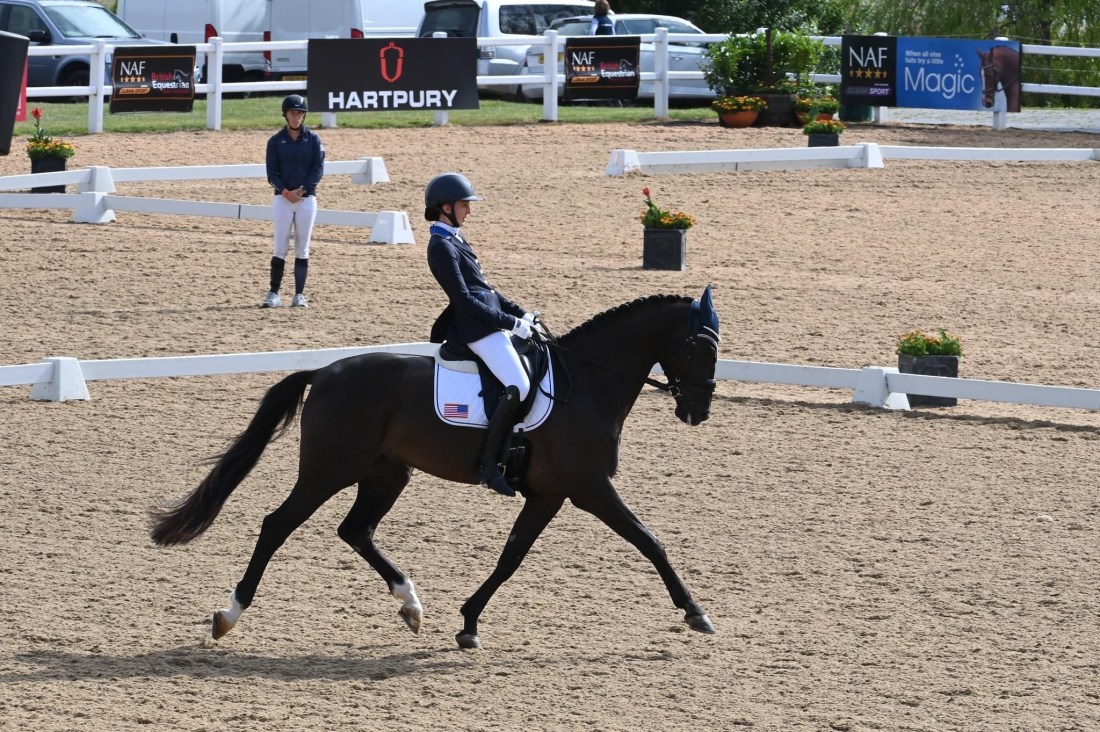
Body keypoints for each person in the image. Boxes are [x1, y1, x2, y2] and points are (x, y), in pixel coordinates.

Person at [425, 172, 535, 498]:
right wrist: (510, 323)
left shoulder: (456, 238)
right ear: (445, 207)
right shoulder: (441, 246)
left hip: (489, 321)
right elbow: (465, 301)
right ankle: (488, 464)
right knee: (520, 384)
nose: (469, 211)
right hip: (476, 329)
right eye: (464, 205)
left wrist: (521, 313)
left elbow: (486, 290)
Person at [262, 94, 324, 308]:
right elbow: (272, 173)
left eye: (299, 113)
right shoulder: (275, 141)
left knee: (302, 248)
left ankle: (299, 295)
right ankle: (273, 293)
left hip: (307, 199)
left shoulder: (314, 140)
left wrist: (303, 189)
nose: (296, 117)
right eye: (292, 113)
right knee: (280, 247)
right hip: (283, 199)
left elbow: (318, 169)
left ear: (304, 115)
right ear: (285, 115)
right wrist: (286, 192)